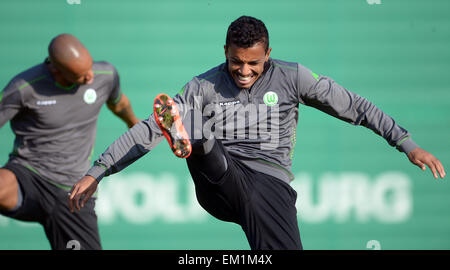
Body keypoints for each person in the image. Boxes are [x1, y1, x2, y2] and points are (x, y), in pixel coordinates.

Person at [68, 16, 445, 250]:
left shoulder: (292, 76)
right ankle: (189, 136)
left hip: (269, 184)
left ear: (268, 54)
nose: (244, 71)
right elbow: (150, 128)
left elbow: (356, 106)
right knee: (195, 127)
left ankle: (193, 135)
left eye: (253, 63)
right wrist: (97, 171)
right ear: (225, 52)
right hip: (220, 180)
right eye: (235, 62)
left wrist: (406, 144)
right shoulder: (203, 85)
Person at [0, 33, 140, 250]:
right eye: (81, 76)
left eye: (90, 68)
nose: (90, 78)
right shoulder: (24, 87)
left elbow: (119, 103)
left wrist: (133, 123)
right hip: (28, 175)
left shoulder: (106, 75)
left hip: (74, 193)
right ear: (55, 70)